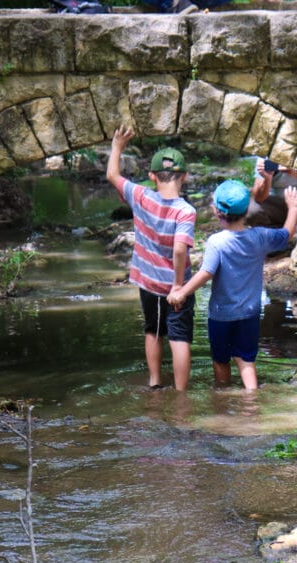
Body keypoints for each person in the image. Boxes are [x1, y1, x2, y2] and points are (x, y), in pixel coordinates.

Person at [168, 180, 297, 390]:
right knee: (246, 361)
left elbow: (206, 273)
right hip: (249, 313)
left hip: (221, 316)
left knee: (221, 361)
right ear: (247, 210)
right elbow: (286, 234)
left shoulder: (216, 242)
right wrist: (293, 207)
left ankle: (222, 400)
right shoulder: (260, 236)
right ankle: (251, 402)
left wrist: (182, 291)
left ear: (215, 210)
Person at [106, 125, 196, 391]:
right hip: (176, 287)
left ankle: (155, 383)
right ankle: (181, 393)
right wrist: (179, 286)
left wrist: (117, 147)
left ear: (152, 176)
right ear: (184, 177)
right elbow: (180, 249)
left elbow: (112, 174)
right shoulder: (186, 211)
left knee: (152, 330)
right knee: (179, 338)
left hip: (148, 283)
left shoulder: (140, 195)